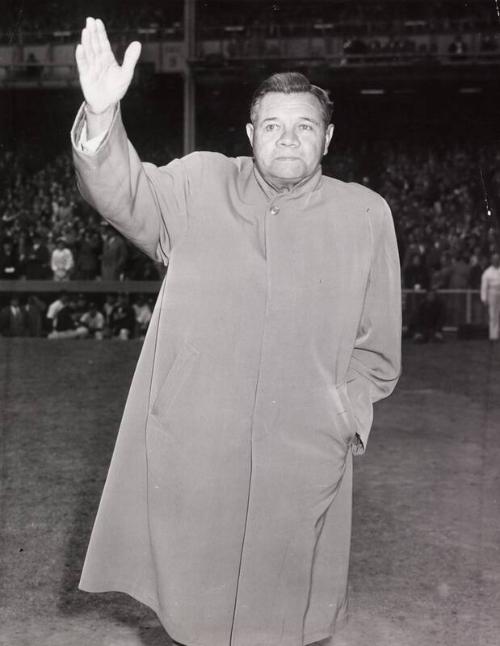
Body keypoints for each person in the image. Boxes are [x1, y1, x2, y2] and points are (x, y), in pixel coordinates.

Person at [71, 17, 401, 646]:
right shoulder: (198, 184)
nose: (287, 139)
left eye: (305, 127)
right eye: (272, 126)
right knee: (193, 618)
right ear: (250, 134)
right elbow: (125, 194)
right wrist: (99, 117)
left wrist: (342, 423)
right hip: (197, 456)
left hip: (303, 460)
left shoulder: (366, 214)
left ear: (327, 139)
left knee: (286, 621)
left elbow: (378, 350)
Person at [480, 252, 500, 341]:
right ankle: (493, 335)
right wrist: (484, 298)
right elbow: (484, 286)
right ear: (492, 260)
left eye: (497, 259)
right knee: (493, 314)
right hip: (492, 293)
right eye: (494, 259)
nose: (496, 260)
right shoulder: (487, 272)